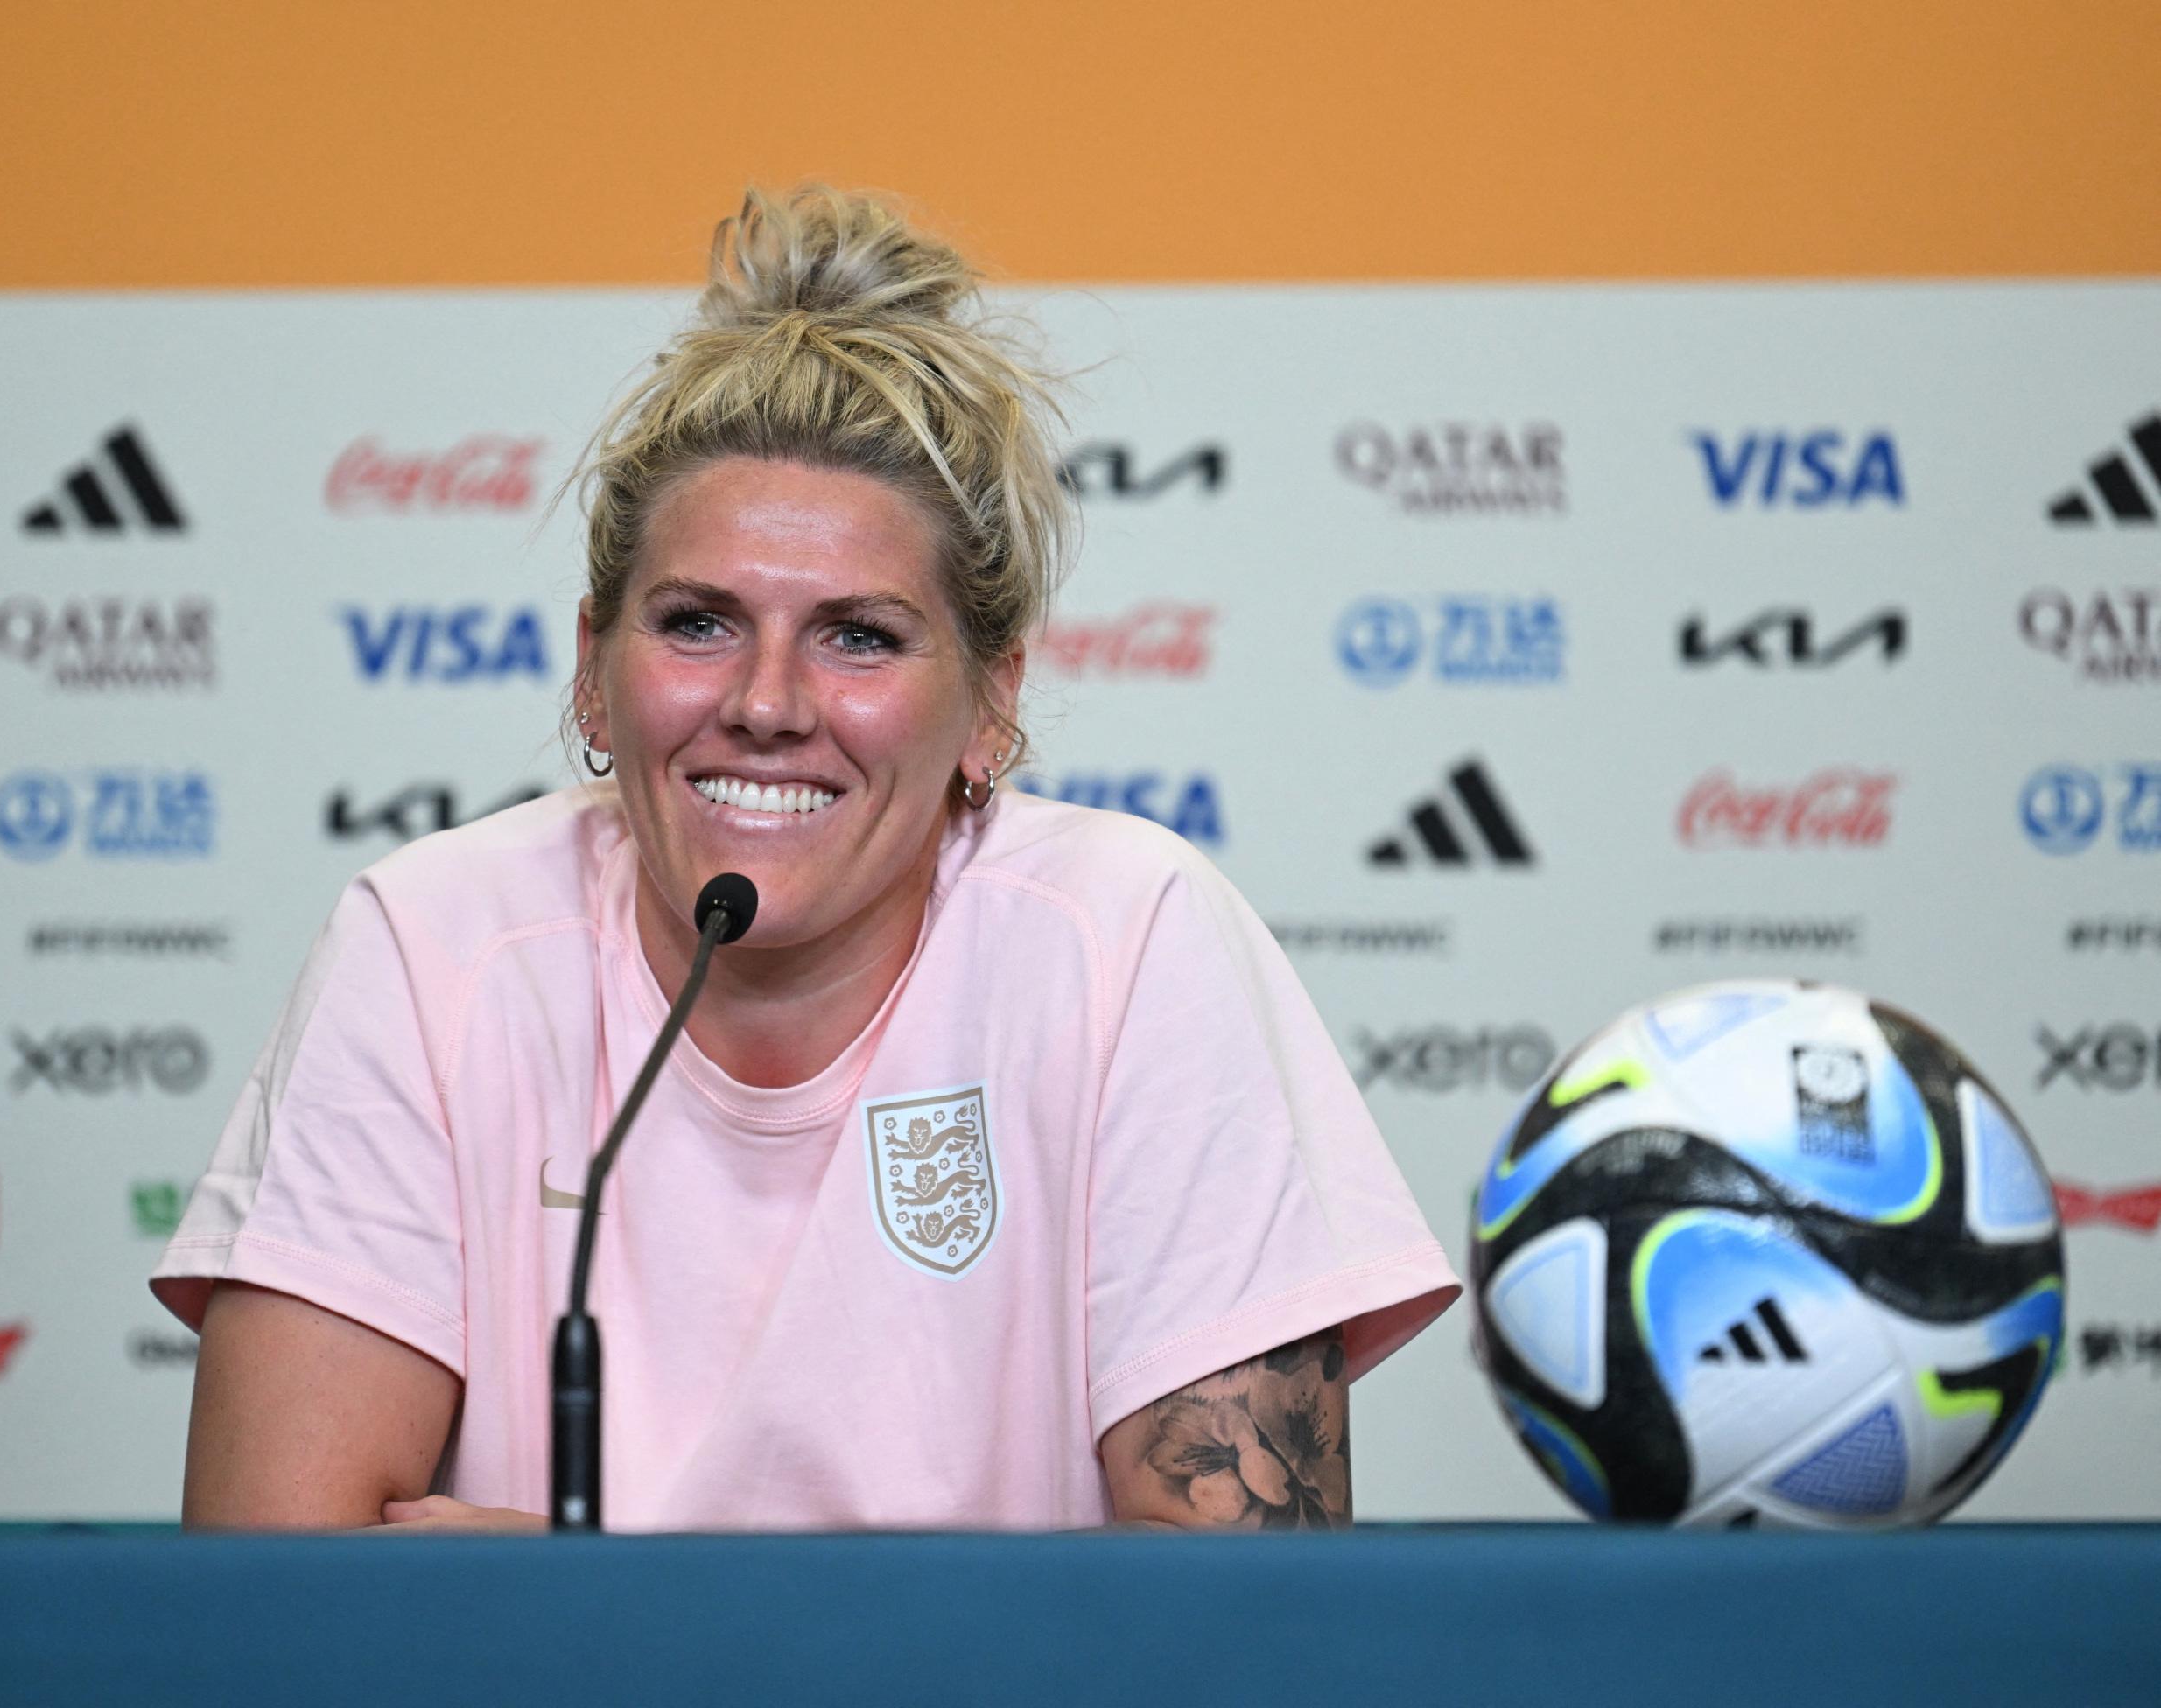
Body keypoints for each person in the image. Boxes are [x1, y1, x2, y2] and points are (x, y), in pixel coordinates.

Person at [153, 186, 1458, 1533]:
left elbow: (1237, 1639)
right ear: (594, 676)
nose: (768, 702)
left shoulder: (1130, 943)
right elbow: (274, 1615)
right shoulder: (432, 945)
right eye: (700, 623)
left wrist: (623, 1612)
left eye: (861, 637)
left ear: (993, 705)